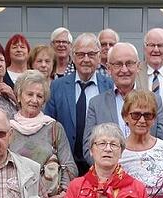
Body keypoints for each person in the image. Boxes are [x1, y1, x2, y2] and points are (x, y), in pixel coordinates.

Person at [84, 42, 163, 164]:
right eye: (118, 64)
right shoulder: (96, 104)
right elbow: (88, 149)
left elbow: (162, 143)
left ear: (138, 66)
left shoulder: (154, 100)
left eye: (129, 63)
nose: (124, 70)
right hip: (110, 178)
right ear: (108, 68)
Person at [44, 33, 114, 176]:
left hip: (101, 166)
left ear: (99, 57)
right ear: (73, 57)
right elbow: (48, 125)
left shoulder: (110, 87)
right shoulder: (57, 86)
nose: (86, 59)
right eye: (81, 54)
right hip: (65, 165)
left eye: (91, 54)